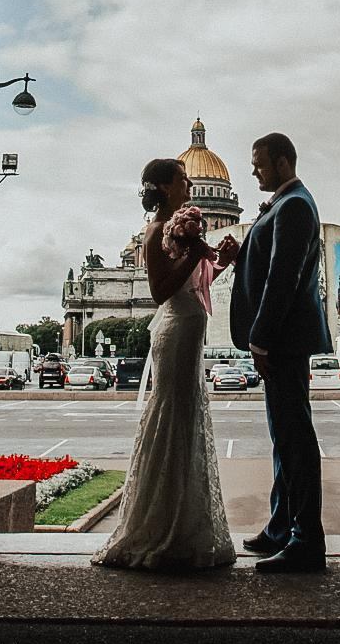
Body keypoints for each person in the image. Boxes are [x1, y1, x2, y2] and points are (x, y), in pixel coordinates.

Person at [92, 158, 237, 571]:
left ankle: (181, 525)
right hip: (175, 332)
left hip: (189, 328)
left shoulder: (175, 229)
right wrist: (195, 253)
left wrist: (221, 261)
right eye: (182, 178)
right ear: (165, 187)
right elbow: (160, 291)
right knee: (173, 417)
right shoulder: (157, 230)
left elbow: (194, 284)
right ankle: (163, 529)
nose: (189, 183)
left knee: (186, 421)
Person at [228, 132, 333, 572]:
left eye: (259, 162)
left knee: (295, 440)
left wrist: (261, 338)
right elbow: (268, 262)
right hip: (284, 339)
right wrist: (241, 254)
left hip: (284, 341)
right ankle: (281, 527)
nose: (253, 170)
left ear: (283, 162)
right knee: (284, 437)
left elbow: (282, 278)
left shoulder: (294, 206)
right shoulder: (287, 204)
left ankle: (306, 540)